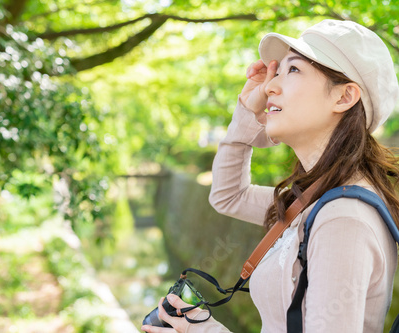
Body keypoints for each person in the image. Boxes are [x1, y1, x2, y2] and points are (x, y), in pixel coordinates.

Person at [142, 19, 399, 333]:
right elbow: (228, 196)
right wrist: (247, 115)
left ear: (344, 97)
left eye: (293, 70)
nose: (270, 85)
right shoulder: (313, 199)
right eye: (278, 71)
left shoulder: (343, 219)